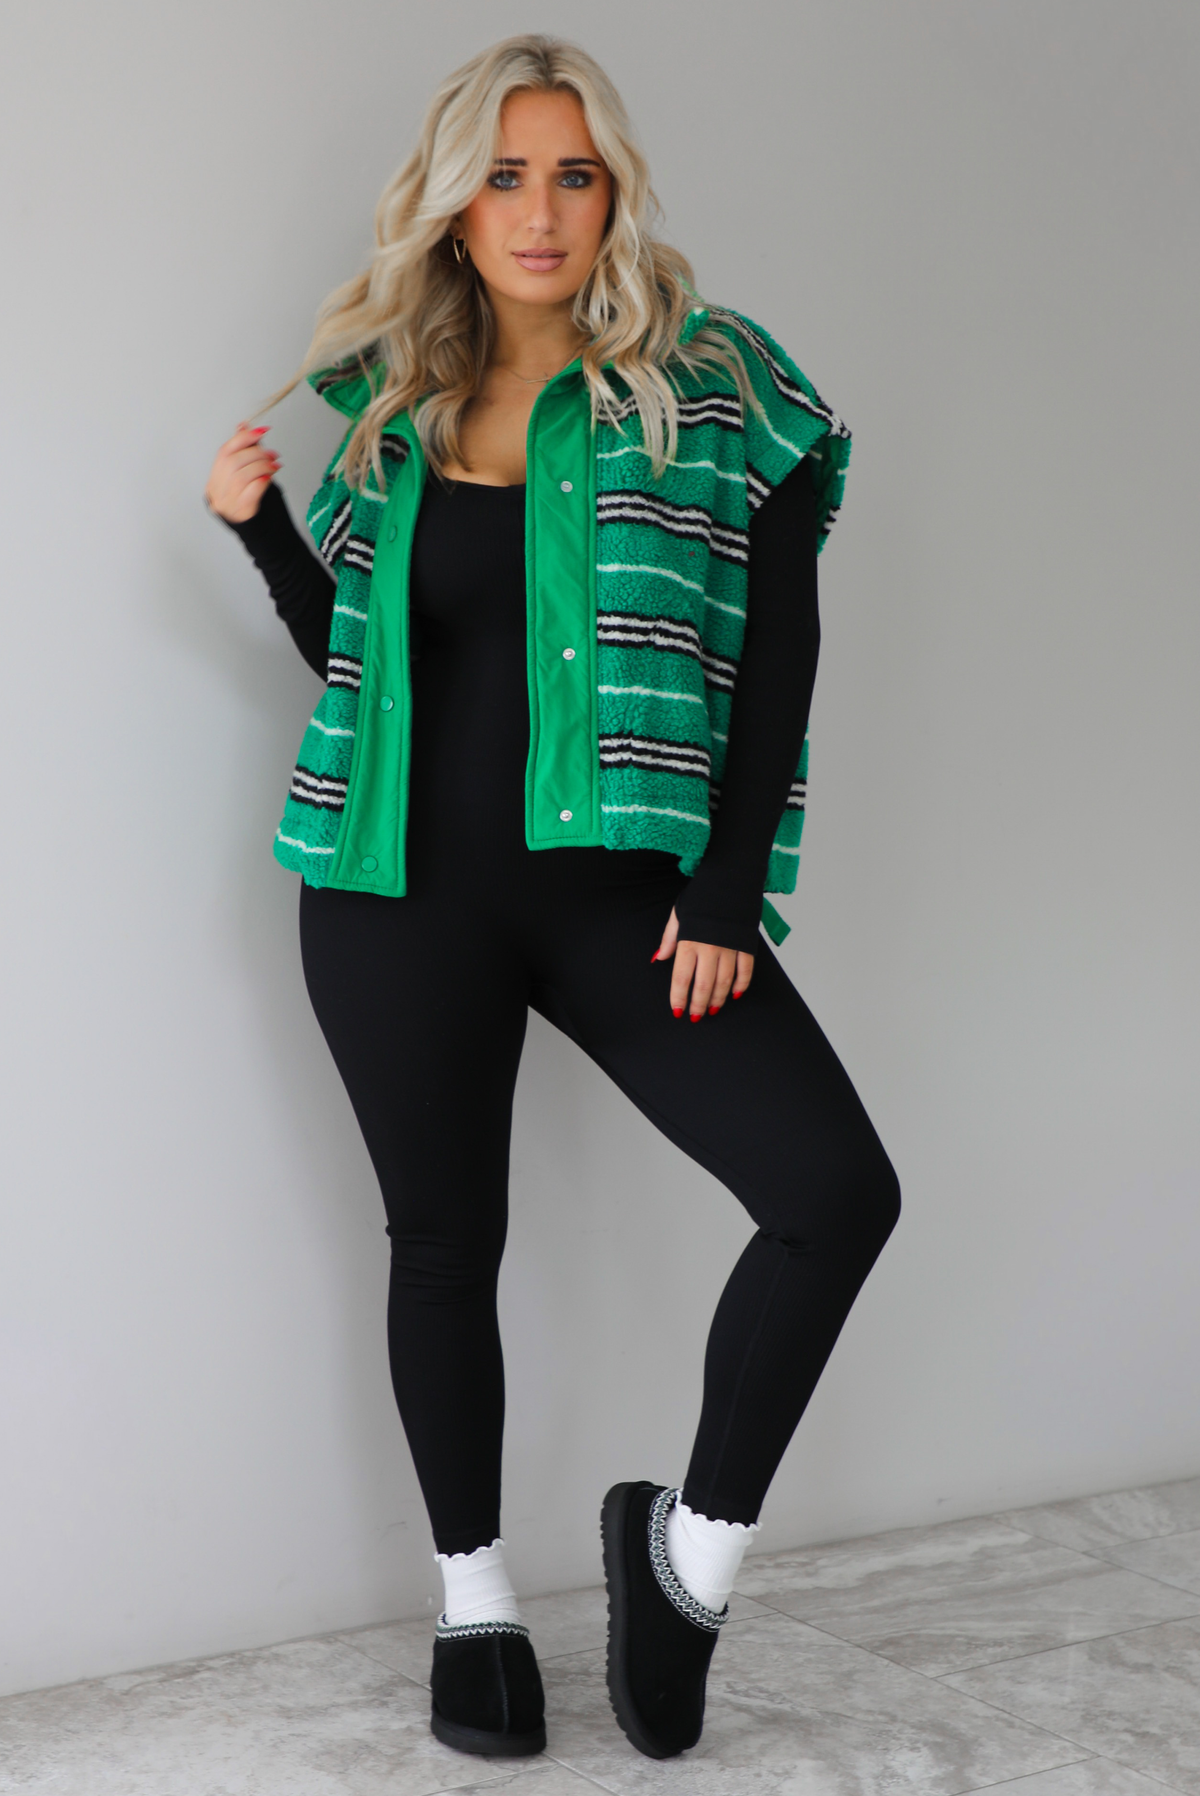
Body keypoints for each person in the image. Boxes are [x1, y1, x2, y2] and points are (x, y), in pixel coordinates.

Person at [204, 32, 900, 1764]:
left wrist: (732, 891)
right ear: (452, 205)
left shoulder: (721, 380)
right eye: (504, 176)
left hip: (626, 901)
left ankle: (688, 1563)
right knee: (446, 1247)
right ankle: (476, 1614)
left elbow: (784, 657)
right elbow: (360, 673)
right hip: (388, 896)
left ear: (616, 192)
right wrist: (265, 530)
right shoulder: (392, 399)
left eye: (571, 173)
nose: (539, 209)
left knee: (835, 1195)